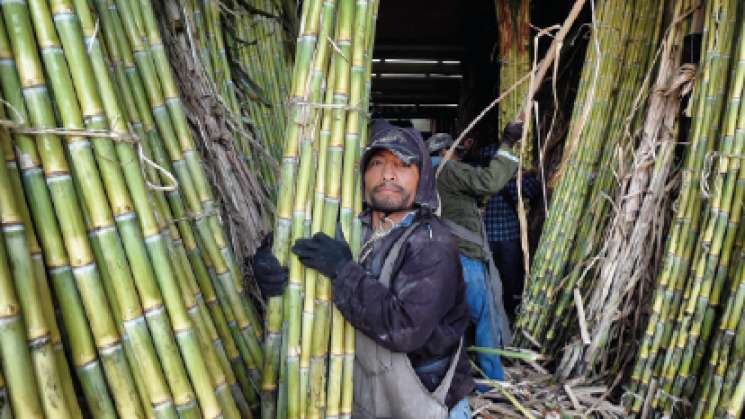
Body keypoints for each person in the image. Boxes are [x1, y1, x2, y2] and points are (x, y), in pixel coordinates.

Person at [253, 120, 474, 419]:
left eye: (402, 165)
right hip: (358, 391)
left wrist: (343, 270)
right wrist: (269, 262)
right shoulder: (346, 222)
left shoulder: (432, 243)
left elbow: (404, 328)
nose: (388, 174)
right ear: (363, 174)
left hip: (424, 397)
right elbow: (295, 244)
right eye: (378, 163)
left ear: (421, 177)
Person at [428, 122, 522, 382]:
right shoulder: (447, 169)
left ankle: (451, 376)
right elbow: (489, 182)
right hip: (464, 256)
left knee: (450, 318)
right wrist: (508, 144)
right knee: (485, 316)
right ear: (448, 151)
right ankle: (492, 380)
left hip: (440, 256)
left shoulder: (425, 175)